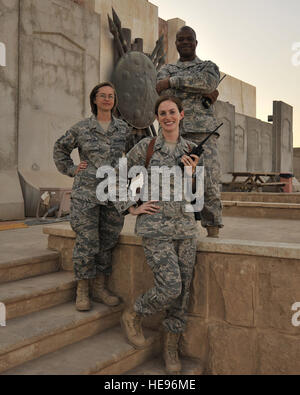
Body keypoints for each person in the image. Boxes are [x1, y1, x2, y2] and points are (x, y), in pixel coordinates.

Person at [112, 96, 200, 374]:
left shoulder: (191, 150)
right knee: (170, 287)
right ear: (157, 118)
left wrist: (192, 174)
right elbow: (116, 176)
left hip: (186, 229)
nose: (167, 117)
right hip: (155, 228)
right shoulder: (146, 147)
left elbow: (196, 196)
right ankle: (134, 313)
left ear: (181, 114)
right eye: (162, 113)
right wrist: (131, 207)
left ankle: (170, 347)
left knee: (182, 294)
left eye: (172, 112)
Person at [53, 82, 131, 312]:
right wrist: (72, 169)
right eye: (102, 96)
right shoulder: (82, 128)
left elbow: (135, 155)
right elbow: (60, 148)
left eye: (111, 96)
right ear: (94, 100)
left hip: (113, 193)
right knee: (87, 242)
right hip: (86, 193)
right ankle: (83, 290)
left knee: (108, 242)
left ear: (114, 101)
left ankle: (100, 287)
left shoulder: (123, 129)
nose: (107, 99)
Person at [156, 26, 223, 238]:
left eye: (189, 39)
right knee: (172, 180)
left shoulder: (208, 66)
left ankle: (213, 233)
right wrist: (200, 89)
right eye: (180, 39)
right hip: (173, 133)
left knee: (208, 182)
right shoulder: (165, 69)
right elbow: (161, 89)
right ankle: (177, 230)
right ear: (175, 43)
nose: (185, 42)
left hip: (204, 134)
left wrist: (174, 82)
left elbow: (208, 81)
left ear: (196, 42)